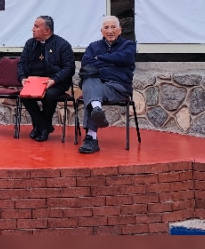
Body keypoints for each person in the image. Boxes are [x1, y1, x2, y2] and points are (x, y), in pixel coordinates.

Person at [77, 16, 136, 154]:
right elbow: (86, 64)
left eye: (113, 27)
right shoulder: (93, 46)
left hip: (118, 86)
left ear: (120, 30)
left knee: (90, 94)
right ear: (101, 31)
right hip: (96, 84)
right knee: (89, 79)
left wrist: (100, 58)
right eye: (106, 28)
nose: (110, 31)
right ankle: (97, 109)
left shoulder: (129, 45)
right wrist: (113, 62)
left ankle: (91, 138)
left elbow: (125, 58)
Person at [17, 16, 75, 142]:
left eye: (36, 27)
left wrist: (53, 80)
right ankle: (44, 126)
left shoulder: (62, 45)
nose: (32, 29)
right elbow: (21, 64)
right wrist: (22, 78)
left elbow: (69, 68)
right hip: (34, 81)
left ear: (47, 30)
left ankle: (40, 127)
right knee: (24, 95)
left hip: (55, 82)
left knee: (49, 95)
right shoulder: (30, 44)